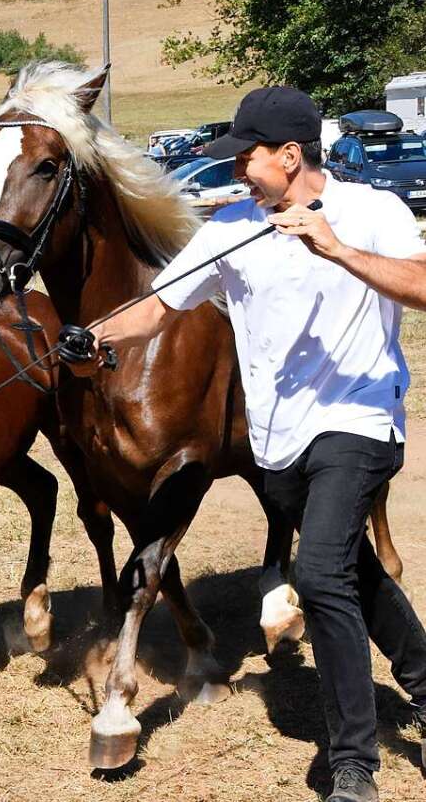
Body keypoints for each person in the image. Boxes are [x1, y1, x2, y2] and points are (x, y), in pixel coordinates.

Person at [80, 87, 426, 802]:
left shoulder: (372, 211)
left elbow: (421, 285)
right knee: (351, 573)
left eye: (246, 156)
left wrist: (335, 248)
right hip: (277, 439)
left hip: (358, 416)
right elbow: (154, 307)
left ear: (290, 155)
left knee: (321, 569)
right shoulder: (231, 229)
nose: (236, 169)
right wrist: (93, 339)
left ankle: (352, 763)